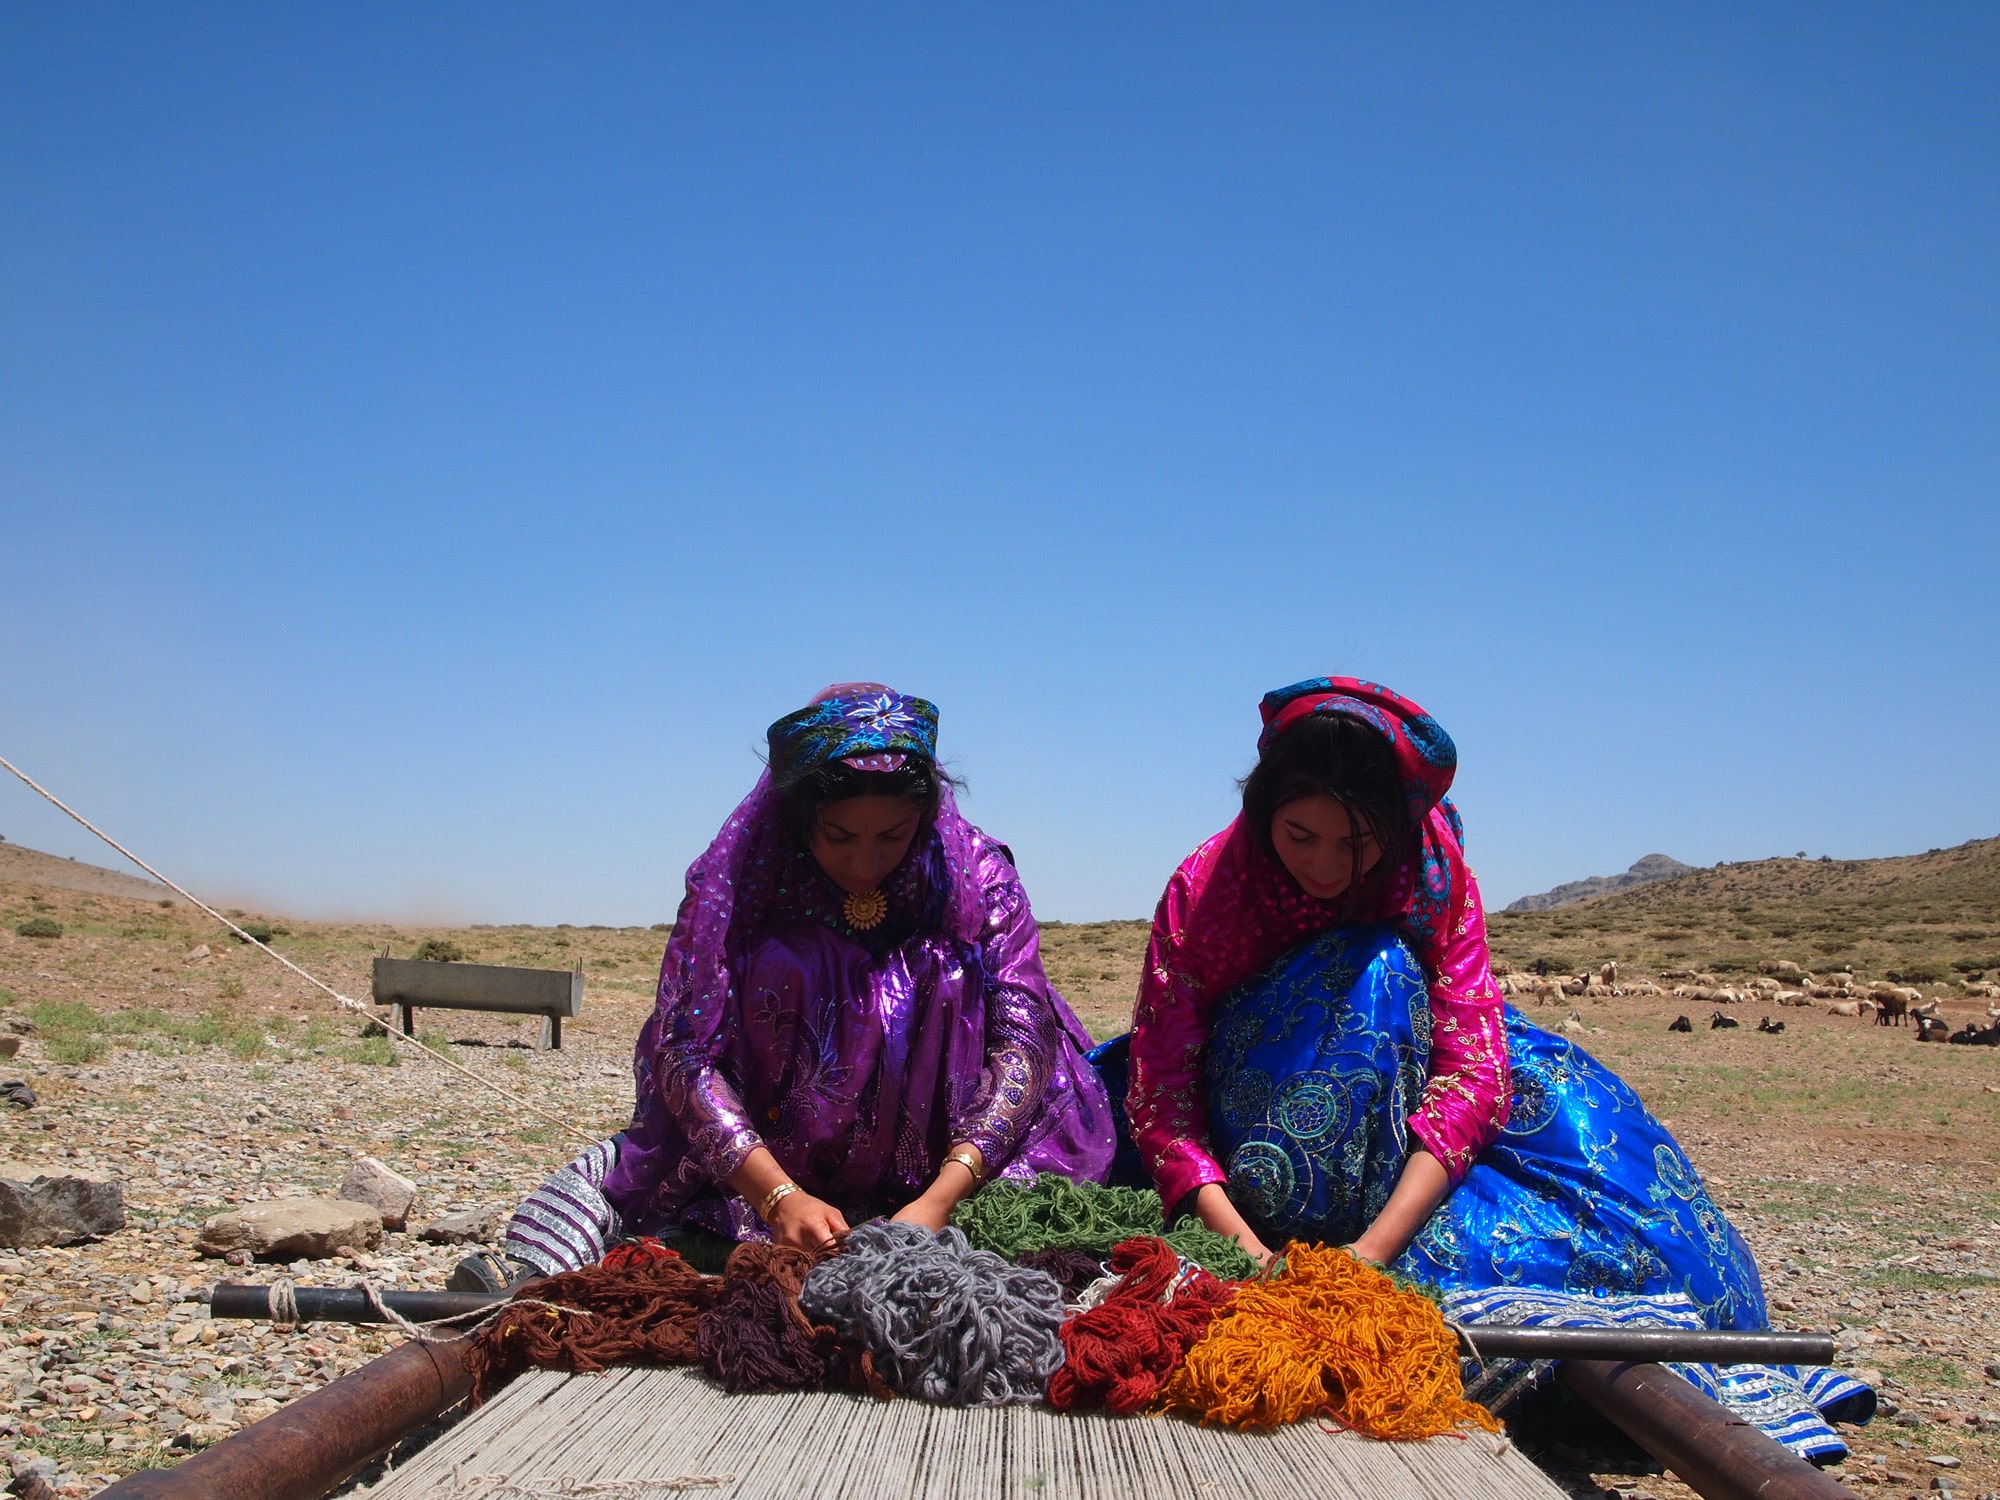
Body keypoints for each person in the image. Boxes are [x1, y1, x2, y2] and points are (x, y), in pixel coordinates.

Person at [1108, 676, 1871, 1459]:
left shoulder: (1432, 867)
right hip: (1268, 1097)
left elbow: (1473, 1062)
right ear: (1261, 808)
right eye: (1300, 836)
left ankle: (1708, 1330)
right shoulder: (1206, 892)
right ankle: (1309, 1214)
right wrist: (1248, 1250)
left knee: (1588, 1117)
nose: (1328, 867)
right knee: (1375, 972)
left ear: (1398, 829)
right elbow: (1161, 1092)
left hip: (1410, 1056)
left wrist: (1371, 1258)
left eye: (1356, 844)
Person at [478, 684, 1115, 1283]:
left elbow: (1022, 1037)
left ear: (924, 816)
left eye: (892, 835)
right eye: (839, 837)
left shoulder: (976, 875)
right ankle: (517, 1281)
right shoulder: (739, 881)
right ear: (798, 816)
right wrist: (777, 1196)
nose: (866, 863)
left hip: (956, 1160)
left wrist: (943, 1196)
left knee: (1038, 1232)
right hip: (766, 1162)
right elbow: (685, 1050)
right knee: (624, 1182)